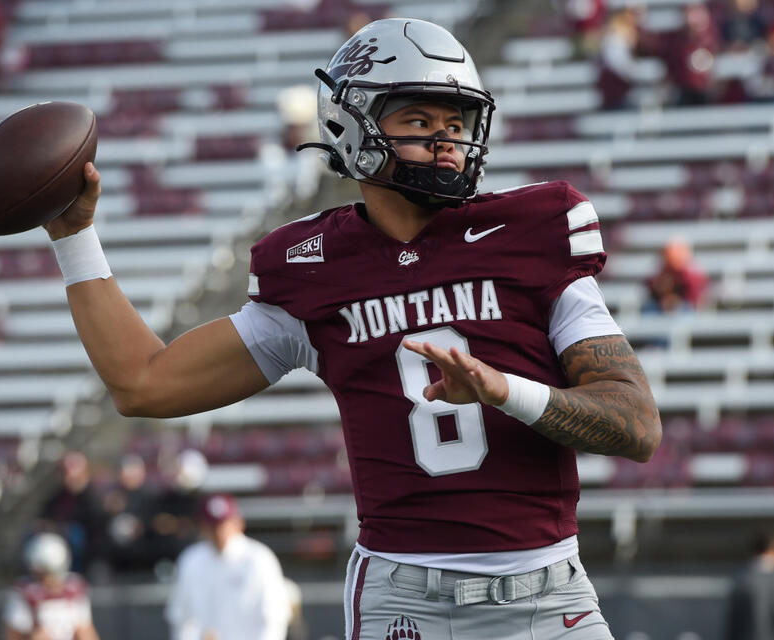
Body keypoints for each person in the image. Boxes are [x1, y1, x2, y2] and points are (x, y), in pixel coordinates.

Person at [43, 18, 661, 639]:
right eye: (419, 120)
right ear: (353, 126)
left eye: (456, 124)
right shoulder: (315, 269)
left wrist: (506, 391)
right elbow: (143, 384)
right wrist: (74, 236)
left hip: (548, 595)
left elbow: (636, 425)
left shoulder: (532, 235)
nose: (446, 141)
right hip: (405, 601)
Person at [165, 493, 290, 640]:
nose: (218, 531)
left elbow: (273, 618)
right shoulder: (191, 559)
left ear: (238, 523)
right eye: (212, 526)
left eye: (223, 524)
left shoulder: (259, 559)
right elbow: (181, 617)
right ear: (202, 527)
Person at [2, 533, 99, 640]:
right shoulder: (23, 592)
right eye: (43, 573)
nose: (49, 581)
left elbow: (86, 632)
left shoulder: (75, 588)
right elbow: (13, 635)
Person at [644, 237, 708, 314]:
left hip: (686, 307)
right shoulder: (660, 271)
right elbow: (651, 288)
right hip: (660, 306)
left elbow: (694, 295)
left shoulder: (693, 273)